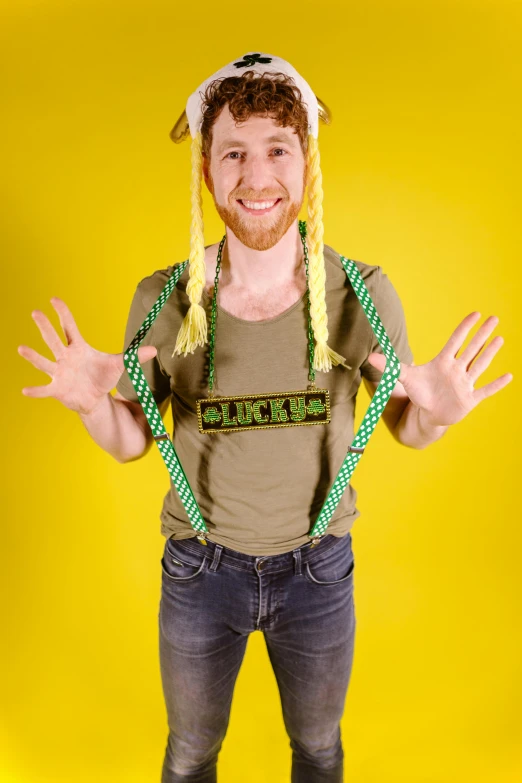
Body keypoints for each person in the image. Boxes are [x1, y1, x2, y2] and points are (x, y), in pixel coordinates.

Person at [18, 53, 512, 783]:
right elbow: (132, 442)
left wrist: (436, 416)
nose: (256, 176)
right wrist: (95, 404)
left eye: (277, 149)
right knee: (189, 753)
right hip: (198, 567)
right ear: (208, 170)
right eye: (234, 153)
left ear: (306, 162)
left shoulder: (361, 293)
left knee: (317, 749)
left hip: (318, 570)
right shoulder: (164, 299)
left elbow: (406, 423)